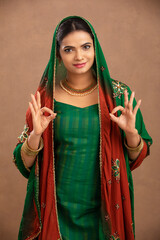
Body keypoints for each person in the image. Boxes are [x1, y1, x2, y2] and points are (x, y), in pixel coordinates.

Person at [13, 16, 152, 240]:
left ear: (95, 47)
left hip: (105, 209)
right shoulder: (45, 100)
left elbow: (136, 157)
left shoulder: (117, 96)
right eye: (69, 49)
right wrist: (36, 135)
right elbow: (23, 164)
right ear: (58, 54)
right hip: (56, 211)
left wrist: (131, 133)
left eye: (86, 47)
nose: (79, 56)